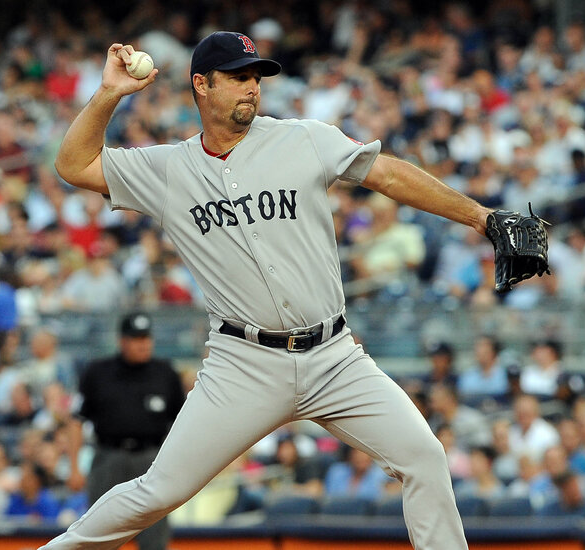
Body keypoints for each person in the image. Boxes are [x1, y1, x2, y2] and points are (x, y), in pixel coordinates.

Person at [42, 31, 491, 549]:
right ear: (201, 85)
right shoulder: (167, 169)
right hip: (243, 364)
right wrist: (109, 96)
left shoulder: (304, 138)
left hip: (334, 357)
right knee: (158, 492)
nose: (252, 87)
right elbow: (73, 166)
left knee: (424, 458)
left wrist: (481, 218)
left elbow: (387, 174)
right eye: (238, 77)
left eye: (256, 76)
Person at [76, 312, 184, 550]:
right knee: (98, 531)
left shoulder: (165, 373)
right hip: (108, 457)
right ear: (122, 341)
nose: (143, 343)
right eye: (136, 338)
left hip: (151, 459)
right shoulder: (98, 372)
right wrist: (74, 466)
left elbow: (182, 422)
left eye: (146, 337)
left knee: (154, 533)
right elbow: (77, 420)